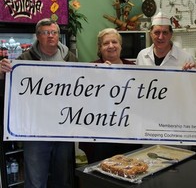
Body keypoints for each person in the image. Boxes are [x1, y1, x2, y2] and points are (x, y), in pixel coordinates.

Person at [0, 18, 78, 188]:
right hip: (35, 129)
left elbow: (84, 86)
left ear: (58, 35)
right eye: (45, 33)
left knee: (62, 178)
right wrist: (2, 72)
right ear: (37, 36)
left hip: (63, 127)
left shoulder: (70, 58)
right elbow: (9, 88)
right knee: (35, 180)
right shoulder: (24, 59)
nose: (50, 36)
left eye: (54, 32)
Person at [78, 28, 142, 163]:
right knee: (101, 174)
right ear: (100, 48)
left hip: (128, 133)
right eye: (106, 43)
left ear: (121, 46)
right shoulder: (91, 68)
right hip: (100, 137)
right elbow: (82, 101)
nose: (111, 46)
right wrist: (98, 76)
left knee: (128, 172)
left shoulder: (134, 68)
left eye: (115, 42)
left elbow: (141, 99)